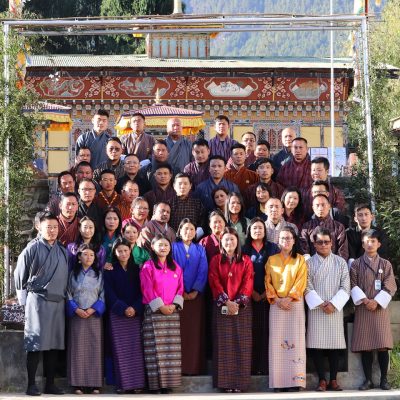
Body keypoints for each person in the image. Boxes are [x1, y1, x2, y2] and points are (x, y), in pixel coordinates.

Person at [14, 212, 69, 396]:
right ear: (39, 227)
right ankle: (31, 384)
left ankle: (50, 384)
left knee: (53, 344)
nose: (52, 231)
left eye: (55, 227)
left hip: (57, 301)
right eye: (48, 227)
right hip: (37, 300)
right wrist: (24, 303)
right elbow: (20, 275)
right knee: (35, 342)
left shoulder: (62, 250)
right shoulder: (32, 248)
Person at [350, 229, 397, 391]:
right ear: (363, 244)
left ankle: (384, 379)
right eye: (367, 241)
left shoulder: (386, 264)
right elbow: (352, 284)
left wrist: (376, 302)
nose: (370, 244)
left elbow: (390, 285)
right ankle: (368, 380)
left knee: (383, 345)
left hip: (380, 309)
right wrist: (365, 300)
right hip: (363, 308)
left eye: (373, 241)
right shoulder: (356, 264)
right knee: (366, 346)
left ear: (379, 244)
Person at [208, 227, 254, 393]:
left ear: (238, 241)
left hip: (242, 308)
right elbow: (214, 281)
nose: (229, 242)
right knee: (223, 346)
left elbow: (248, 282)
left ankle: (239, 383)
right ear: (221, 242)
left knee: (242, 345)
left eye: (232, 239)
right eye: (226, 240)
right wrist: (226, 301)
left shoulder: (246, 260)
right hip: (222, 307)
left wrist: (238, 302)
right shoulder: (215, 260)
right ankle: (225, 383)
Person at [305, 227, 350, 392]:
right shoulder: (308, 263)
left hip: (335, 308)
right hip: (317, 308)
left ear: (332, 243)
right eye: (319, 242)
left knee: (334, 346)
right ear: (314, 245)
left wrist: (333, 303)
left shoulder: (340, 262)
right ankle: (322, 380)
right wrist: (321, 303)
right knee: (316, 345)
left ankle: (333, 379)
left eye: (326, 242)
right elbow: (306, 285)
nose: (323, 245)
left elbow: (346, 287)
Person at [140, 235, 184, 393]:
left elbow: (180, 288)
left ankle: (168, 384)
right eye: (160, 245)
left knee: (171, 351)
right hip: (154, 313)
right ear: (152, 247)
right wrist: (160, 306)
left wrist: (174, 305)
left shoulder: (176, 267)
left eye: (166, 245)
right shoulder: (148, 266)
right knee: (154, 350)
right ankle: (154, 385)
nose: (163, 247)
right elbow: (147, 289)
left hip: (172, 313)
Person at [265, 227, 307, 392]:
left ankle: (296, 380)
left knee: (296, 341)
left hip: (294, 303)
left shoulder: (300, 260)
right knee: (277, 342)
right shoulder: (271, 260)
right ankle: (279, 382)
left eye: (289, 238)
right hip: (276, 304)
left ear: (294, 240)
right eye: (283, 238)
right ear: (278, 241)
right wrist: (277, 299)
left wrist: (289, 298)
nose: (286, 241)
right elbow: (267, 281)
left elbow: (301, 281)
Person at [104, 238, 146, 394]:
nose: (123, 253)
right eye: (119, 251)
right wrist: (122, 308)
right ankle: (123, 384)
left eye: (126, 250)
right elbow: (109, 292)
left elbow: (143, 291)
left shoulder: (138, 269)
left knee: (135, 349)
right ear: (114, 252)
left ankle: (137, 383)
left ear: (130, 251)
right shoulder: (109, 270)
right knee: (119, 350)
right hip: (117, 314)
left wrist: (135, 308)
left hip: (135, 314)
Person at [242, 218, 279, 375]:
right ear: (249, 231)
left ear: (265, 231)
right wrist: (251, 293)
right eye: (254, 228)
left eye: (260, 228)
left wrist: (266, 292)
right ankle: (251, 367)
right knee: (250, 332)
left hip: (267, 297)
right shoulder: (244, 249)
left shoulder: (272, 248)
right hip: (248, 296)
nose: (257, 230)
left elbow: (278, 272)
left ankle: (264, 367)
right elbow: (241, 274)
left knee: (266, 332)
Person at [67, 244, 105, 395]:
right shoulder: (72, 274)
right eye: (85, 254)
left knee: (94, 348)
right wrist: (75, 308)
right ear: (79, 257)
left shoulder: (99, 274)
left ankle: (95, 383)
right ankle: (78, 384)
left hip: (93, 314)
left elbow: (103, 294)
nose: (88, 257)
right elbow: (68, 292)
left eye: (91, 255)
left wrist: (93, 309)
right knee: (77, 348)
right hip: (76, 314)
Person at [172, 219, 208, 375]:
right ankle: (177, 368)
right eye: (185, 229)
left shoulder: (200, 249)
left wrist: (195, 290)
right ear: (179, 231)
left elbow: (203, 271)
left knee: (194, 332)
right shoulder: (173, 247)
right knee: (178, 333)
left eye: (192, 229)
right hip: (176, 296)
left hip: (195, 297)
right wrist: (180, 291)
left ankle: (193, 367)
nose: (188, 232)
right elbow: (172, 269)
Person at [300, 194, 348, 260]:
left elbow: (343, 251)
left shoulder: (339, 227)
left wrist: (338, 264)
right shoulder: (307, 226)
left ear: (329, 206)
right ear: (313, 208)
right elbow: (304, 249)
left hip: (334, 266)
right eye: (317, 205)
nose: (320, 208)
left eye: (323, 205)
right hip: (312, 266)